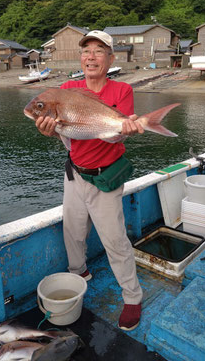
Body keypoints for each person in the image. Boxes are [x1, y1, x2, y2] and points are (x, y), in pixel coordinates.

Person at [35, 30, 144, 331]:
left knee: (115, 241)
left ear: (110, 58)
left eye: (99, 51)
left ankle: (132, 298)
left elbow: (117, 133)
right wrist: (51, 130)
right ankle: (79, 272)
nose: (91, 56)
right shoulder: (67, 88)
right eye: (86, 51)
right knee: (72, 231)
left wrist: (126, 129)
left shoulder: (121, 90)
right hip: (74, 175)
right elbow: (66, 133)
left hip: (105, 179)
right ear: (80, 58)